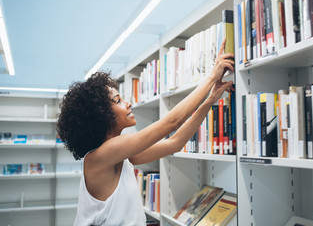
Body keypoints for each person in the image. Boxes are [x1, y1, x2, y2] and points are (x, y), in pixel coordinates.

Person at [56, 39, 234, 226]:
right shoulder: (99, 157)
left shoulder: (120, 156)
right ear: (100, 115)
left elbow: (175, 143)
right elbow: (171, 122)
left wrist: (211, 99)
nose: (128, 103)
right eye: (118, 101)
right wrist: (211, 77)